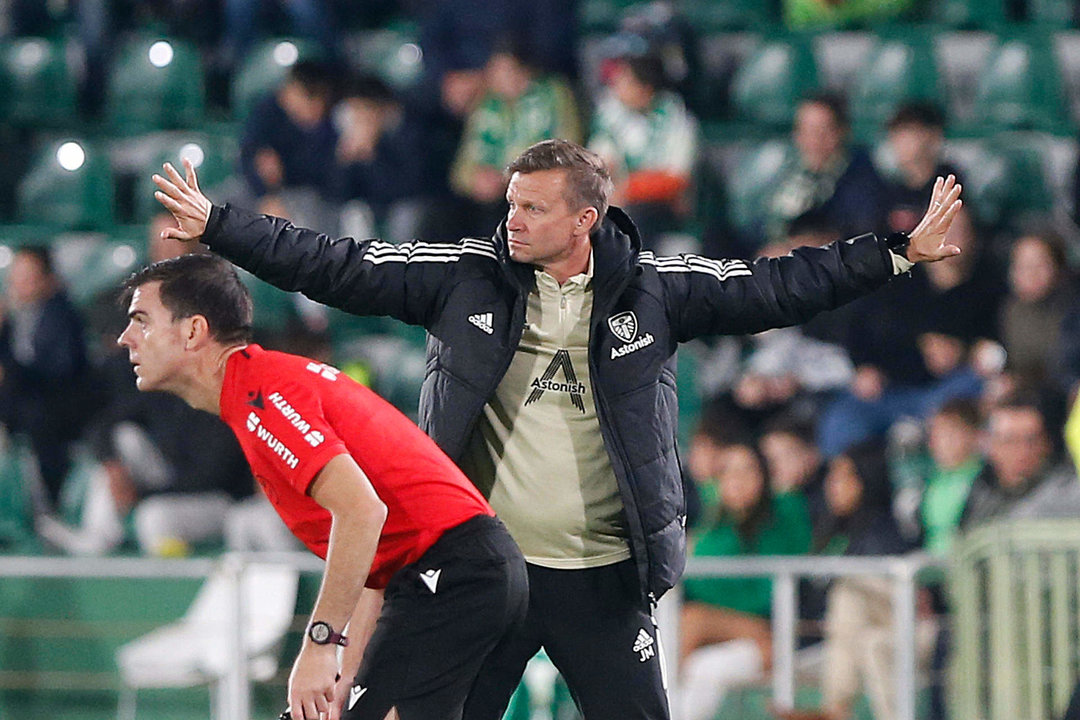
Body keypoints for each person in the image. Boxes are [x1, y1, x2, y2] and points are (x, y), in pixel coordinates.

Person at [151, 139, 963, 720]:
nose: (512, 221)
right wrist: (219, 223)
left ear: (586, 221)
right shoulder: (462, 277)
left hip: (602, 575)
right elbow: (335, 263)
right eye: (510, 202)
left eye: (533, 209)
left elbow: (780, 285)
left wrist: (895, 253)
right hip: (481, 573)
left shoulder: (656, 291)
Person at [116, 253, 527, 720]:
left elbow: (362, 513)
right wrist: (344, 679)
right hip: (463, 574)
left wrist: (319, 646)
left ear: (193, 331)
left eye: (141, 321)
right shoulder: (261, 387)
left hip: (455, 575)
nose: (125, 338)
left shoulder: (263, 396)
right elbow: (377, 558)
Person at [677, 439, 812, 720]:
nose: (737, 480)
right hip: (720, 636)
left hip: (776, 635)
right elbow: (697, 584)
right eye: (728, 471)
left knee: (697, 632)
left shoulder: (783, 516)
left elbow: (767, 597)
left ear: (764, 477)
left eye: (747, 470)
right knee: (691, 650)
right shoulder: (714, 527)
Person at [0, 245, 90, 511]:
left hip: (53, 407)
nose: (19, 285)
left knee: (37, 419)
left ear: (48, 279)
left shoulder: (62, 316)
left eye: (28, 277)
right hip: (16, 404)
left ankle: (47, 507)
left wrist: (11, 371)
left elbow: (60, 372)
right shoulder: (11, 319)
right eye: (16, 276)